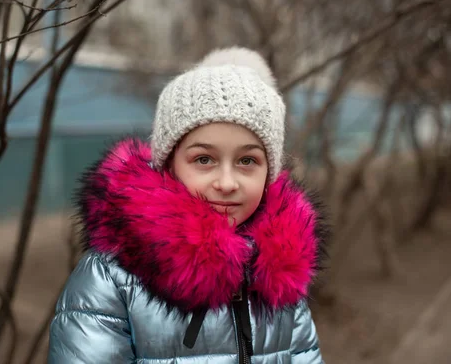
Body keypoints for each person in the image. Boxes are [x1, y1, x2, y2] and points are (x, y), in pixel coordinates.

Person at [48, 47, 329, 363]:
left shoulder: (282, 277)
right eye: (204, 159)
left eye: (247, 160)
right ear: (168, 166)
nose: (226, 182)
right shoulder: (111, 281)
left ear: (270, 173)